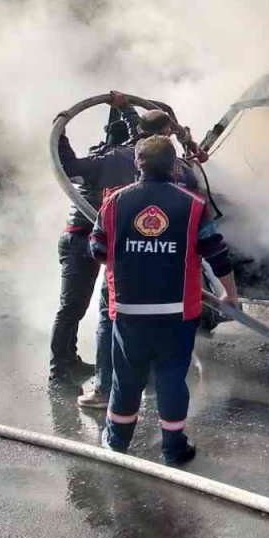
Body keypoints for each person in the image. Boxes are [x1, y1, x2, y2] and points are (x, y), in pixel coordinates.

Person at [89, 136, 239, 465]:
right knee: (172, 377)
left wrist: (131, 253)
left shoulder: (113, 203)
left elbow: (98, 250)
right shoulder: (193, 204)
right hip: (177, 311)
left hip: (129, 310)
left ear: (137, 165)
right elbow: (217, 253)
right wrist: (230, 293)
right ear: (174, 166)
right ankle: (173, 448)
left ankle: (116, 444)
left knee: (126, 378)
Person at [55, 95, 201, 408]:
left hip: (117, 251)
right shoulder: (159, 165)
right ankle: (66, 370)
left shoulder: (127, 163)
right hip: (112, 248)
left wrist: (64, 127)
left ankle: (112, 385)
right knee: (87, 310)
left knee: (115, 317)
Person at [48, 98, 141, 385]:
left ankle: (70, 360)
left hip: (96, 241)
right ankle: (59, 368)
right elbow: (67, 164)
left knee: (80, 306)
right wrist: (59, 132)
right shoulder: (113, 160)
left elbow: (69, 163)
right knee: (72, 306)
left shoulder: (111, 159)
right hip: (79, 242)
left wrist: (61, 131)